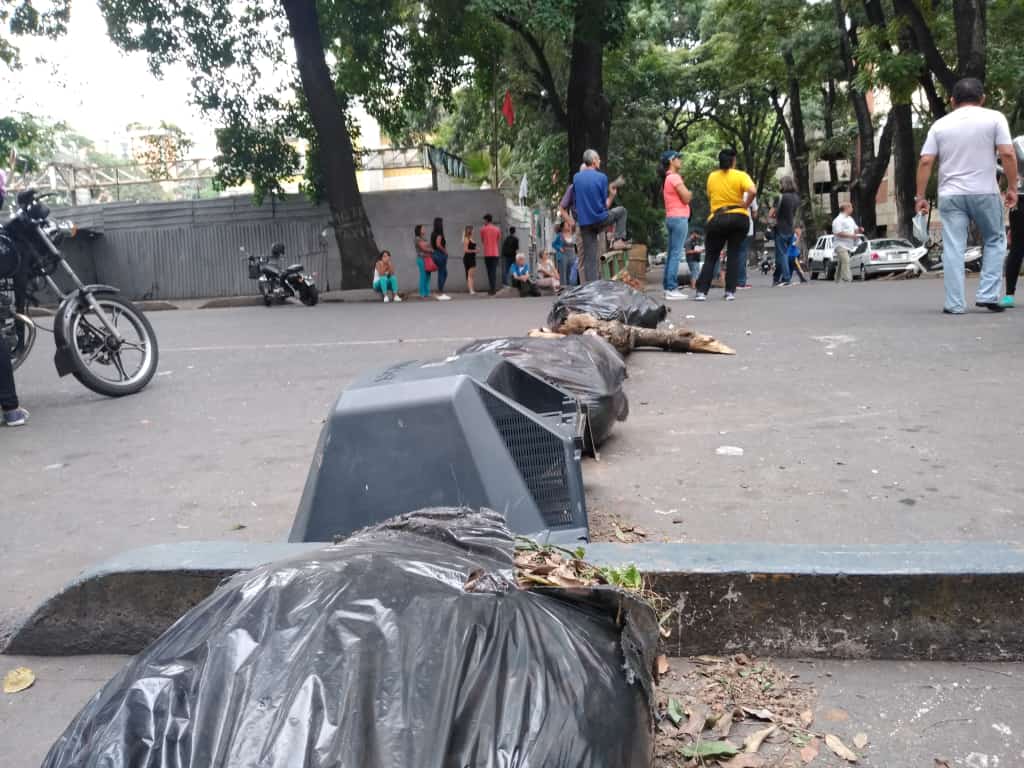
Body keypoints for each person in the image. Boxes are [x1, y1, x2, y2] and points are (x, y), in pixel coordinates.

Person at [916, 77, 1018, 314]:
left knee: (953, 247)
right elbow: (1008, 153)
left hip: (950, 195)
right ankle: (988, 295)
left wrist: (919, 196)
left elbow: (926, 160)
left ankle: (954, 304)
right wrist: (1012, 188)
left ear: (952, 101)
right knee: (995, 239)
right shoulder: (995, 118)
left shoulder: (939, 125)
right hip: (984, 191)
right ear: (982, 99)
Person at [695, 148, 756, 301]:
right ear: (733, 161)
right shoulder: (741, 175)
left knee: (711, 256)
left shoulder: (712, 177)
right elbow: (753, 191)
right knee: (734, 254)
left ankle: (702, 292)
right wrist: (745, 204)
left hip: (718, 218)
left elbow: (710, 195)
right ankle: (730, 292)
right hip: (739, 218)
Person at [571, 150, 629, 283]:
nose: (600, 161)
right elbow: (604, 205)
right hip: (600, 219)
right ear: (593, 161)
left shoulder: (576, 178)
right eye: (598, 159)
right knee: (621, 211)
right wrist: (611, 194)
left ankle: (592, 289)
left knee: (589, 259)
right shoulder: (602, 177)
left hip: (585, 224)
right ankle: (619, 239)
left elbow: (577, 200)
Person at [659, 149, 693, 301]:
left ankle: (668, 287)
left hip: (672, 217)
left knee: (672, 253)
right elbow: (686, 197)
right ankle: (672, 288)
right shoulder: (674, 177)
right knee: (676, 254)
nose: (680, 160)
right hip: (679, 218)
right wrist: (689, 192)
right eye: (678, 158)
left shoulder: (667, 178)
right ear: (671, 161)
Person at [770, 176, 800, 286]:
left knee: (782, 254)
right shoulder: (796, 198)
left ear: (783, 184)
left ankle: (786, 278)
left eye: (780, 184)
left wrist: (775, 215)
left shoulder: (780, 197)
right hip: (791, 229)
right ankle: (776, 278)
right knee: (783, 254)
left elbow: (771, 214)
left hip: (781, 228)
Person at [1003, 184, 1024, 307]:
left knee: (1016, 249)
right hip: (1018, 198)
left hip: (1018, 197)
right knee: (1016, 249)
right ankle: (1009, 295)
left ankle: (1009, 295)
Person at [831, 203, 861, 283]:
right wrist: (851, 236)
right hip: (840, 245)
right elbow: (838, 233)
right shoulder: (838, 220)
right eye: (851, 207)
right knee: (846, 260)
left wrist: (859, 230)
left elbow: (855, 229)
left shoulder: (850, 219)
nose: (852, 209)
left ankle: (837, 280)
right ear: (846, 208)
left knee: (841, 262)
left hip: (848, 245)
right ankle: (847, 279)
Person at [736, 197, 757, 289]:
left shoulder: (730, 188)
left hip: (731, 224)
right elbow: (755, 213)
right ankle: (740, 281)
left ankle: (732, 280)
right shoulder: (749, 191)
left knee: (734, 253)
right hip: (745, 225)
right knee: (742, 253)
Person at [480, 214, 502, 295]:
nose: (484, 222)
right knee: (493, 271)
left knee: (489, 272)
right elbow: (498, 239)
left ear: (486, 220)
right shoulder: (497, 229)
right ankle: (493, 289)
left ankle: (492, 289)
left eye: (484, 220)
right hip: (495, 253)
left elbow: (482, 240)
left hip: (487, 253)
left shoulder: (483, 229)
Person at [430, 217, 451, 301]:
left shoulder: (433, 233)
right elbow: (438, 244)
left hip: (435, 254)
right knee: (442, 273)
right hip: (440, 254)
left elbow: (433, 245)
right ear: (440, 224)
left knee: (443, 272)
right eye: (442, 223)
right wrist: (445, 251)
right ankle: (440, 292)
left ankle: (440, 290)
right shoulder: (439, 234)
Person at [552, 220, 575, 287]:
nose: (568, 226)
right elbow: (553, 244)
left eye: (568, 224)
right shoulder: (559, 235)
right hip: (563, 255)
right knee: (563, 273)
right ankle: (563, 289)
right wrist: (559, 248)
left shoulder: (572, 235)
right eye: (566, 225)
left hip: (572, 255)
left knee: (570, 273)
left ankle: (570, 289)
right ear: (562, 227)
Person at [414, 224, 433, 299]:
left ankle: (426, 292)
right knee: (423, 276)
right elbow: (424, 248)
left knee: (428, 276)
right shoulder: (417, 238)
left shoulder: (424, 238)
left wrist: (429, 248)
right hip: (421, 259)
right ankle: (422, 293)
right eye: (423, 228)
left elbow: (429, 246)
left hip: (428, 258)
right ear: (419, 230)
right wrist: (430, 249)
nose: (424, 229)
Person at [462, 225, 478, 295]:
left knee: (471, 275)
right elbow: (465, 250)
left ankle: (472, 289)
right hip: (468, 258)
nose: (472, 231)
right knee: (469, 275)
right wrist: (474, 251)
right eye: (471, 230)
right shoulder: (466, 239)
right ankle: (471, 290)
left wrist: (475, 250)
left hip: (472, 257)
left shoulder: (471, 238)